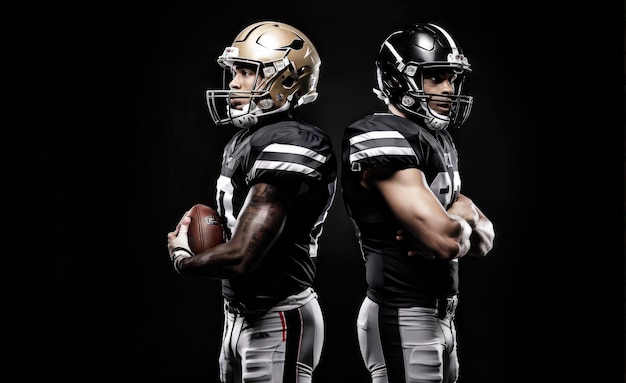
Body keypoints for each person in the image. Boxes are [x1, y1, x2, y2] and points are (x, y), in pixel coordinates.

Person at [167, 21, 337, 383]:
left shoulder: (292, 139)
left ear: (286, 81)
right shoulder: (245, 140)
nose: (233, 83)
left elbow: (244, 254)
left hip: (279, 317)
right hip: (239, 314)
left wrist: (186, 260)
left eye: (246, 72)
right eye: (234, 71)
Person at [340, 22, 495, 383]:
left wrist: (462, 220)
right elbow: (448, 241)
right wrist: (460, 224)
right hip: (402, 311)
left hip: (442, 314)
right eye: (436, 77)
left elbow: (484, 240)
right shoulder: (381, 134)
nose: (448, 88)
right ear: (398, 80)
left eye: (452, 79)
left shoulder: (435, 139)